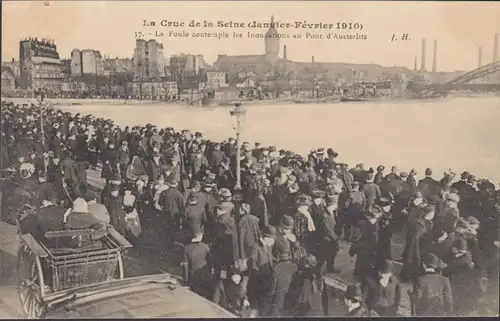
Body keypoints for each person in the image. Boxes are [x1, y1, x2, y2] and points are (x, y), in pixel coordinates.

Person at [267, 242, 298, 316]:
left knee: (278, 312)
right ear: (289, 256)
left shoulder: (276, 268)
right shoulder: (295, 266)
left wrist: (271, 293)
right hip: (292, 293)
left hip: (280, 294)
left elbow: (274, 283)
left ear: (279, 256)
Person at [182, 228, 213, 299]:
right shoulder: (205, 246)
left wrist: (186, 280)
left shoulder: (187, 248)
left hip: (193, 276)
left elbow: (185, 266)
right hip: (205, 275)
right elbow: (210, 261)